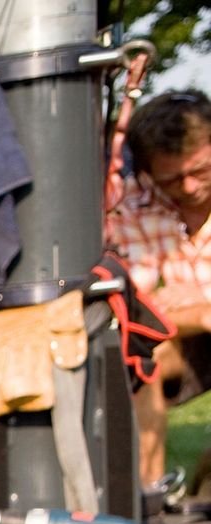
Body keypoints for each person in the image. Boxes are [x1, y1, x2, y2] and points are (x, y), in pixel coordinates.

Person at [112, 89, 211, 491]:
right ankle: (146, 497)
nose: (188, 187)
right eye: (172, 178)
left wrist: (198, 302)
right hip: (178, 344)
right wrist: (203, 313)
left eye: (201, 171)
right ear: (148, 171)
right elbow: (134, 312)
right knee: (142, 355)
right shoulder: (130, 208)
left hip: (190, 324)